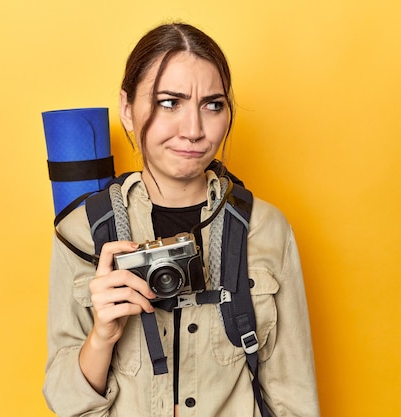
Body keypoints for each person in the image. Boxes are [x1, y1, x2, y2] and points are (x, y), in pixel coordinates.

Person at [43, 22, 320, 417]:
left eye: (213, 104)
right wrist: (102, 336)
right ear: (127, 109)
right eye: (169, 102)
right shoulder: (82, 232)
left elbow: (294, 396)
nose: (193, 130)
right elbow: (67, 403)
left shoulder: (266, 228)